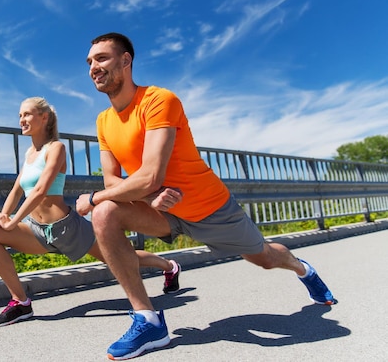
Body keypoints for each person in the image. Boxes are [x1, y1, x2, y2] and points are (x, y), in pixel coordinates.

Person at [76, 32, 336, 361]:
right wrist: (144, 198)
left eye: (101, 59)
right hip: (163, 211)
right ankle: (148, 320)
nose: (93, 68)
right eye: (89, 62)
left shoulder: (158, 100)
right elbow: (113, 179)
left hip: (209, 208)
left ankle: (304, 270)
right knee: (105, 214)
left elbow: (151, 173)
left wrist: (99, 195)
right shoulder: (103, 121)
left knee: (266, 257)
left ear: (126, 61)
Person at [0, 96, 181, 328]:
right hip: (36, 231)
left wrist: (13, 222)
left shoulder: (57, 148)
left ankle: (169, 266)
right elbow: (17, 189)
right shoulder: (29, 154)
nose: (21, 120)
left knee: (124, 258)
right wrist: (3, 215)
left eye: (26, 114)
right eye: (20, 116)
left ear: (43, 118)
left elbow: (41, 190)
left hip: (68, 229)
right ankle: (20, 302)